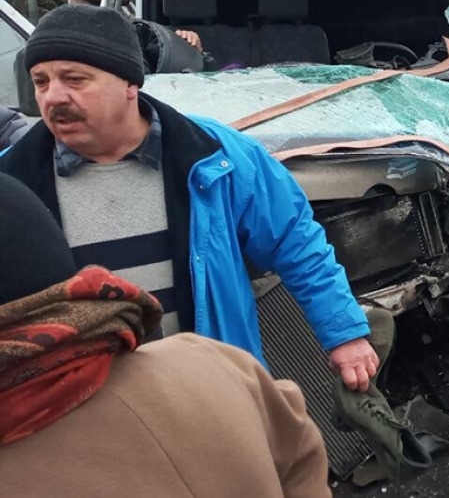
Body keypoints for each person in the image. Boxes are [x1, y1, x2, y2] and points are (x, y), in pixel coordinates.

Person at [0, 4, 378, 391]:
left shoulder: (217, 156)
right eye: (41, 81)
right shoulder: (13, 186)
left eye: (74, 79)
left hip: (213, 394)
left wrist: (344, 336)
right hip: (79, 412)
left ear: (130, 83)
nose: (53, 96)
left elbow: (294, 242)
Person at [0, 173, 332, 498]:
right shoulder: (214, 362)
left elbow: (295, 240)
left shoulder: (209, 154)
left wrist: (345, 334)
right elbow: (299, 454)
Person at [63, 0, 204, 52]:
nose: (75, 19)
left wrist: (190, 48)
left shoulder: (138, 38)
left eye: (83, 10)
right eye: (71, 9)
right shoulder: (60, 45)